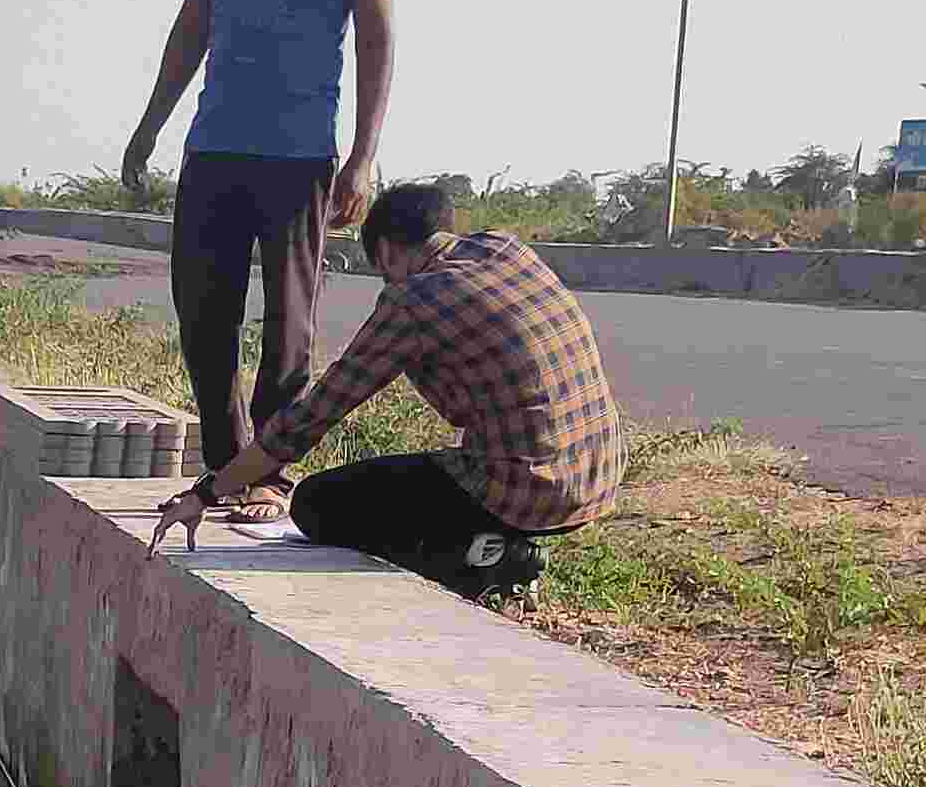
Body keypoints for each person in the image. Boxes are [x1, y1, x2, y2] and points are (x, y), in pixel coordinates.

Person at [149, 180, 626, 604]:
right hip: (599, 477)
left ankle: (482, 560)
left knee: (318, 503)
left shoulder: (414, 298)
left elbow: (314, 415)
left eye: (382, 271)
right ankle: (492, 545)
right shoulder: (507, 250)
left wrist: (207, 492)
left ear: (388, 250)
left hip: (523, 490)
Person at [123, 0, 394, 485]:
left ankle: (268, 471)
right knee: (203, 318)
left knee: (290, 327)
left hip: (300, 156)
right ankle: (227, 465)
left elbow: (377, 38)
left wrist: (363, 156)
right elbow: (193, 24)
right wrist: (150, 126)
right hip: (215, 146)